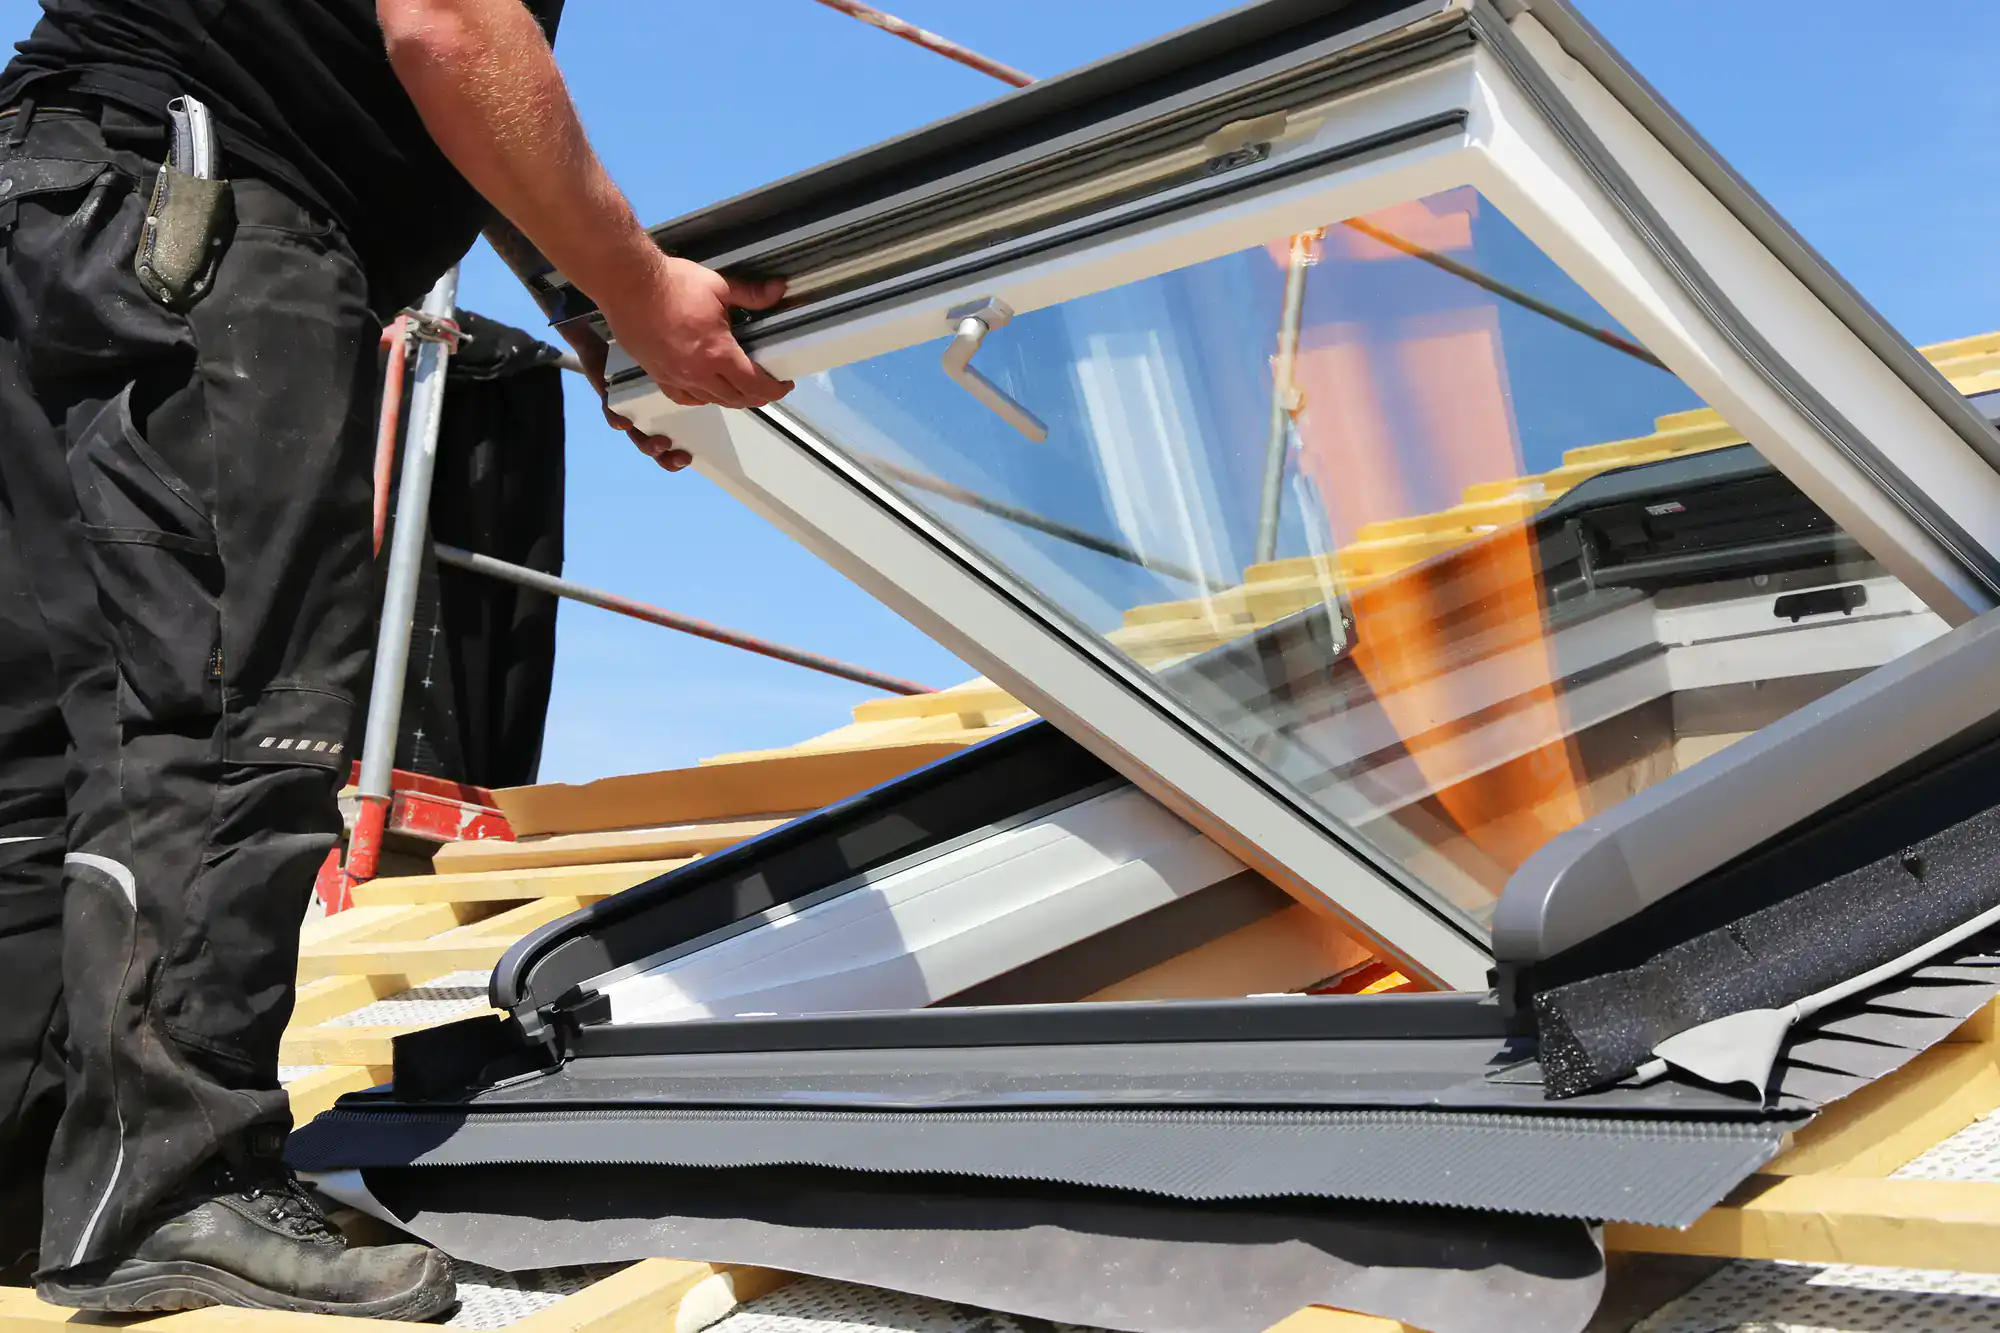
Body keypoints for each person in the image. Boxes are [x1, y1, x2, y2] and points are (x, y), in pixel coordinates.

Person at [0, 0, 791, 1318]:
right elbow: (453, 31)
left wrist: (595, 295)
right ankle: (175, 1188)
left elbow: (452, 99)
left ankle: (30, 1185)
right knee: (233, 704)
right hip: (198, 205)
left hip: (55, 193)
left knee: (48, 735)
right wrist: (641, 291)